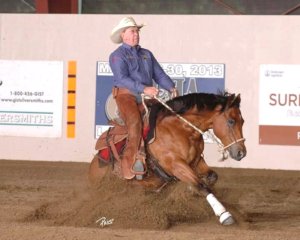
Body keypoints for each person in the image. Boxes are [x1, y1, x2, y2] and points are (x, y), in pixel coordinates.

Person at [109, 16, 177, 180]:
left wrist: (171, 87)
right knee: (135, 121)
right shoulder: (117, 56)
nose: (136, 34)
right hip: (126, 96)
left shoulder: (147, 54)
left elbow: (159, 74)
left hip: (146, 96)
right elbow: (122, 78)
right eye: (132, 31)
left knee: (166, 118)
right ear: (123, 35)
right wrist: (144, 88)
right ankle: (133, 160)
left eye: (137, 31)